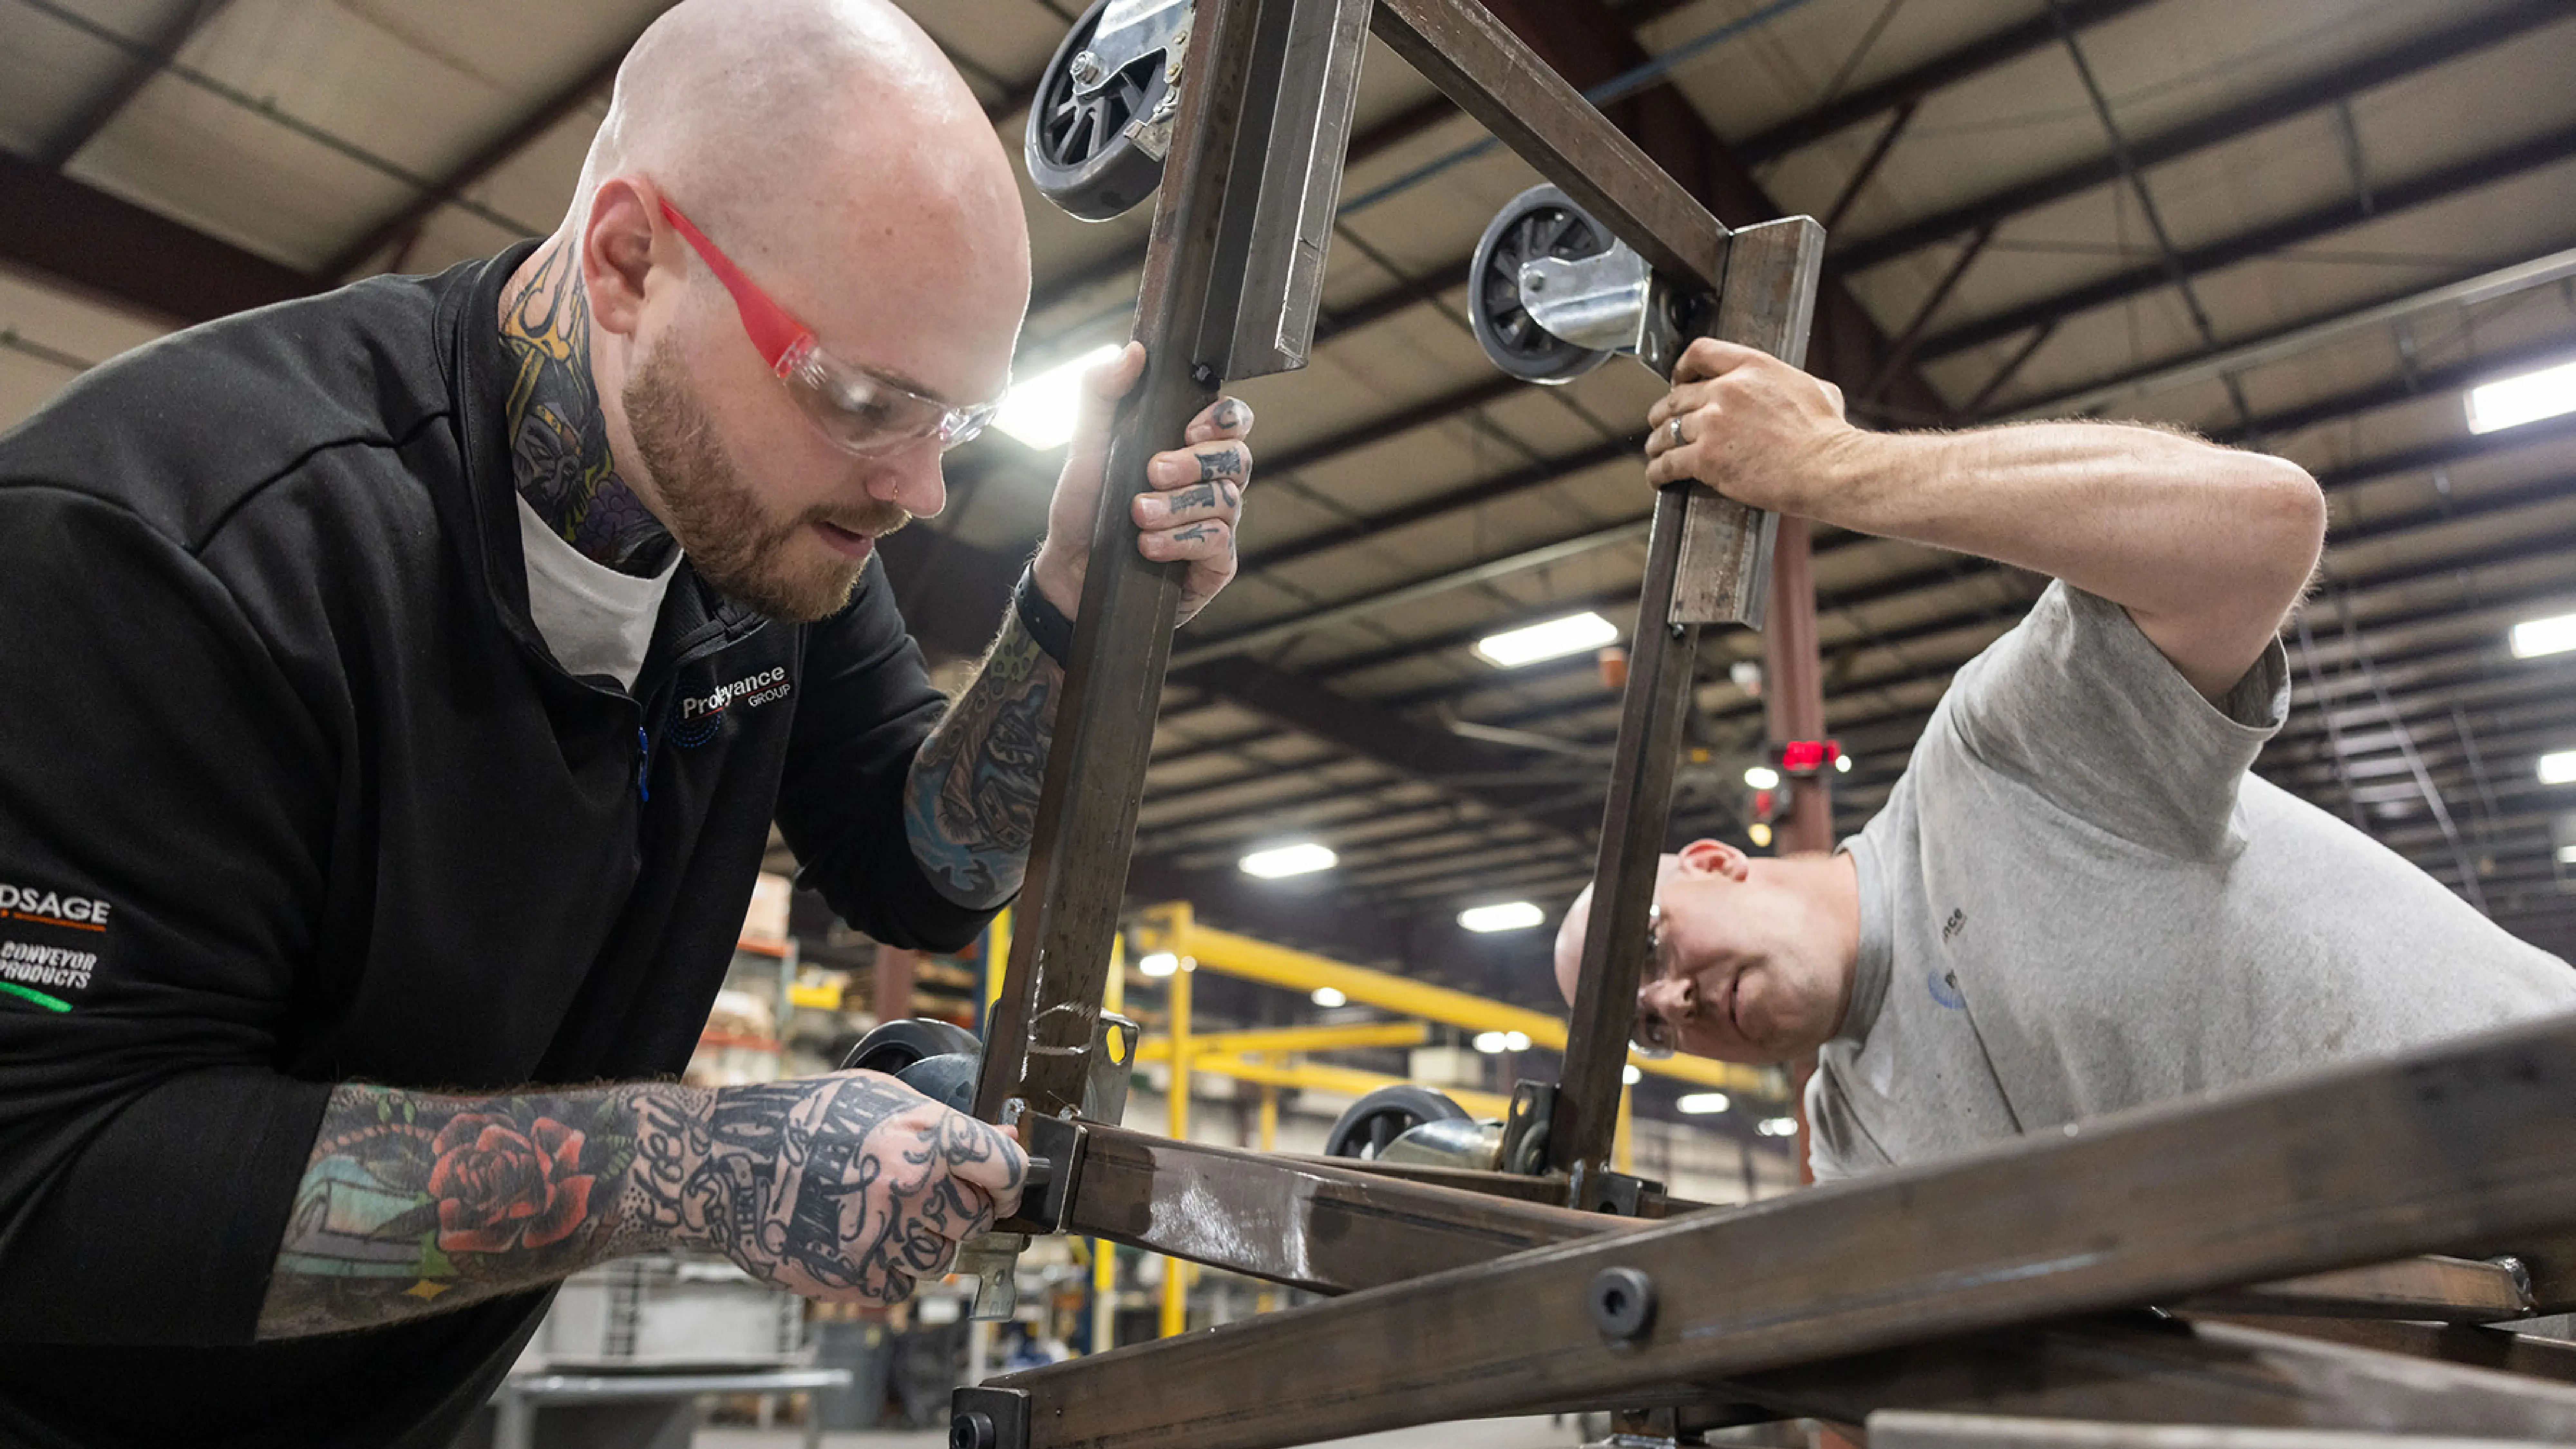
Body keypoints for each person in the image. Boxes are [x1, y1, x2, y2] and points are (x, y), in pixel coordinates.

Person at [0, 2, 1257, 1444]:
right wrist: (686, 1164)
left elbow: (923, 868)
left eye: (952, 425)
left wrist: (1070, 603)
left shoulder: (763, 555)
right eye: (865, 400)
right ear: (628, 261)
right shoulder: (176, 544)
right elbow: (41, 1169)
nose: (917, 490)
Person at [1555, 338, 2576, 1180]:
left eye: (1650, 954)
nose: (1675, 1003)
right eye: (1648, 1028)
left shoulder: (1995, 765)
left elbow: (2262, 528)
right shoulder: (1859, 1146)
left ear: (1717, 862)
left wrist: (1826, 465)